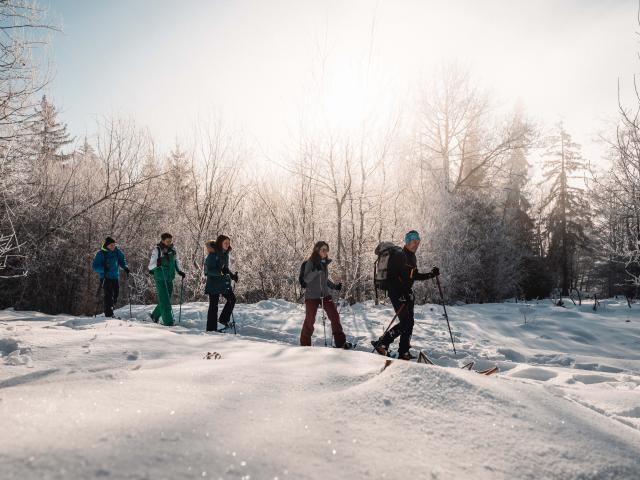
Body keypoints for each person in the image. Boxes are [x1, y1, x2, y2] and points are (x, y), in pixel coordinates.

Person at [371, 230, 439, 360]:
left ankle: (404, 352)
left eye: (418, 242)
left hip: (407, 293)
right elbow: (392, 278)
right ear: (407, 242)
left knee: (409, 322)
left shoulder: (412, 257)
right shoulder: (400, 255)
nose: (416, 244)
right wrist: (401, 294)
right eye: (413, 242)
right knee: (406, 322)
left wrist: (431, 274)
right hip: (397, 293)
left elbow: (413, 276)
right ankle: (383, 343)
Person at [299, 241, 352, 349]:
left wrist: (334, 286)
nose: (325, 252)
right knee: (310, 320)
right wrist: (316, 270)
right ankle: (304, 345)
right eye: (323, 250)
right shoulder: (309, 263)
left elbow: (324, 280)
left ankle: (341, 343)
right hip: (312, 296)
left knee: (334, 316)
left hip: (325, 295)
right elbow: (306, 280)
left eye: (327, 250)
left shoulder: (324, 263)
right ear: (317, 250)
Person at [148, 233, 185, 326]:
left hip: (169, 278)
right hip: (160, 278)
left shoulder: (173, 250)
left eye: (170, 241)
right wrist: (157, 263)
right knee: (165, 301)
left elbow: (176, 261)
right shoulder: (157, 250)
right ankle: (168, 322)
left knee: (166, 299)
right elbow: (150, 266)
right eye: (167, 241)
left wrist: (179, 271)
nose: (169, 243)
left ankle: (154, 316)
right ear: (163, 240)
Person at [204, 235, 238, 332]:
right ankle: (211, 329)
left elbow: (225, 269)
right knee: (213, 306)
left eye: (228, 243)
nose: (227, 245)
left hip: (223, 283)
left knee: (232, 299)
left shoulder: (225, 254)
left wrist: (232, 276)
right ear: (220, 243)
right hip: (213, 283)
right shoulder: (212, 255)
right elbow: (207, 271)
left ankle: (223, 320)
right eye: (225, 243)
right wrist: (221, 272)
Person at [92, 236, 129, 318]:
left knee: (116, 294)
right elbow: (94, 266)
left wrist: (125, 267)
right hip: (105, 278)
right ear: (107, 245)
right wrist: (103, 269)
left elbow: (122, 261)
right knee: (109, 296)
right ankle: (109, 314)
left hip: (115, 277)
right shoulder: (101, 253)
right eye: (111, 245)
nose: (113, 246)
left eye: (114, 245)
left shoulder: (117, 252)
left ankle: (110, 310)